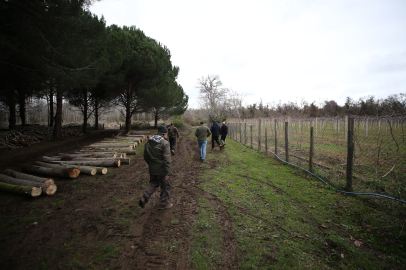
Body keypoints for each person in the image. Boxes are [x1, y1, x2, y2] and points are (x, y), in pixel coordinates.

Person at [139, 125, 173, 209]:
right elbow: (167, 159)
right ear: (165, 134)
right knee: (166, 186)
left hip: (152, 169)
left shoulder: (149, 141)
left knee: (154, 182)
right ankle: (163, 204)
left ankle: (145, 198)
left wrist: (151, 164)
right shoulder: (165, 143)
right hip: (162, 170)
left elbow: (145, 156)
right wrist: (168, 172)